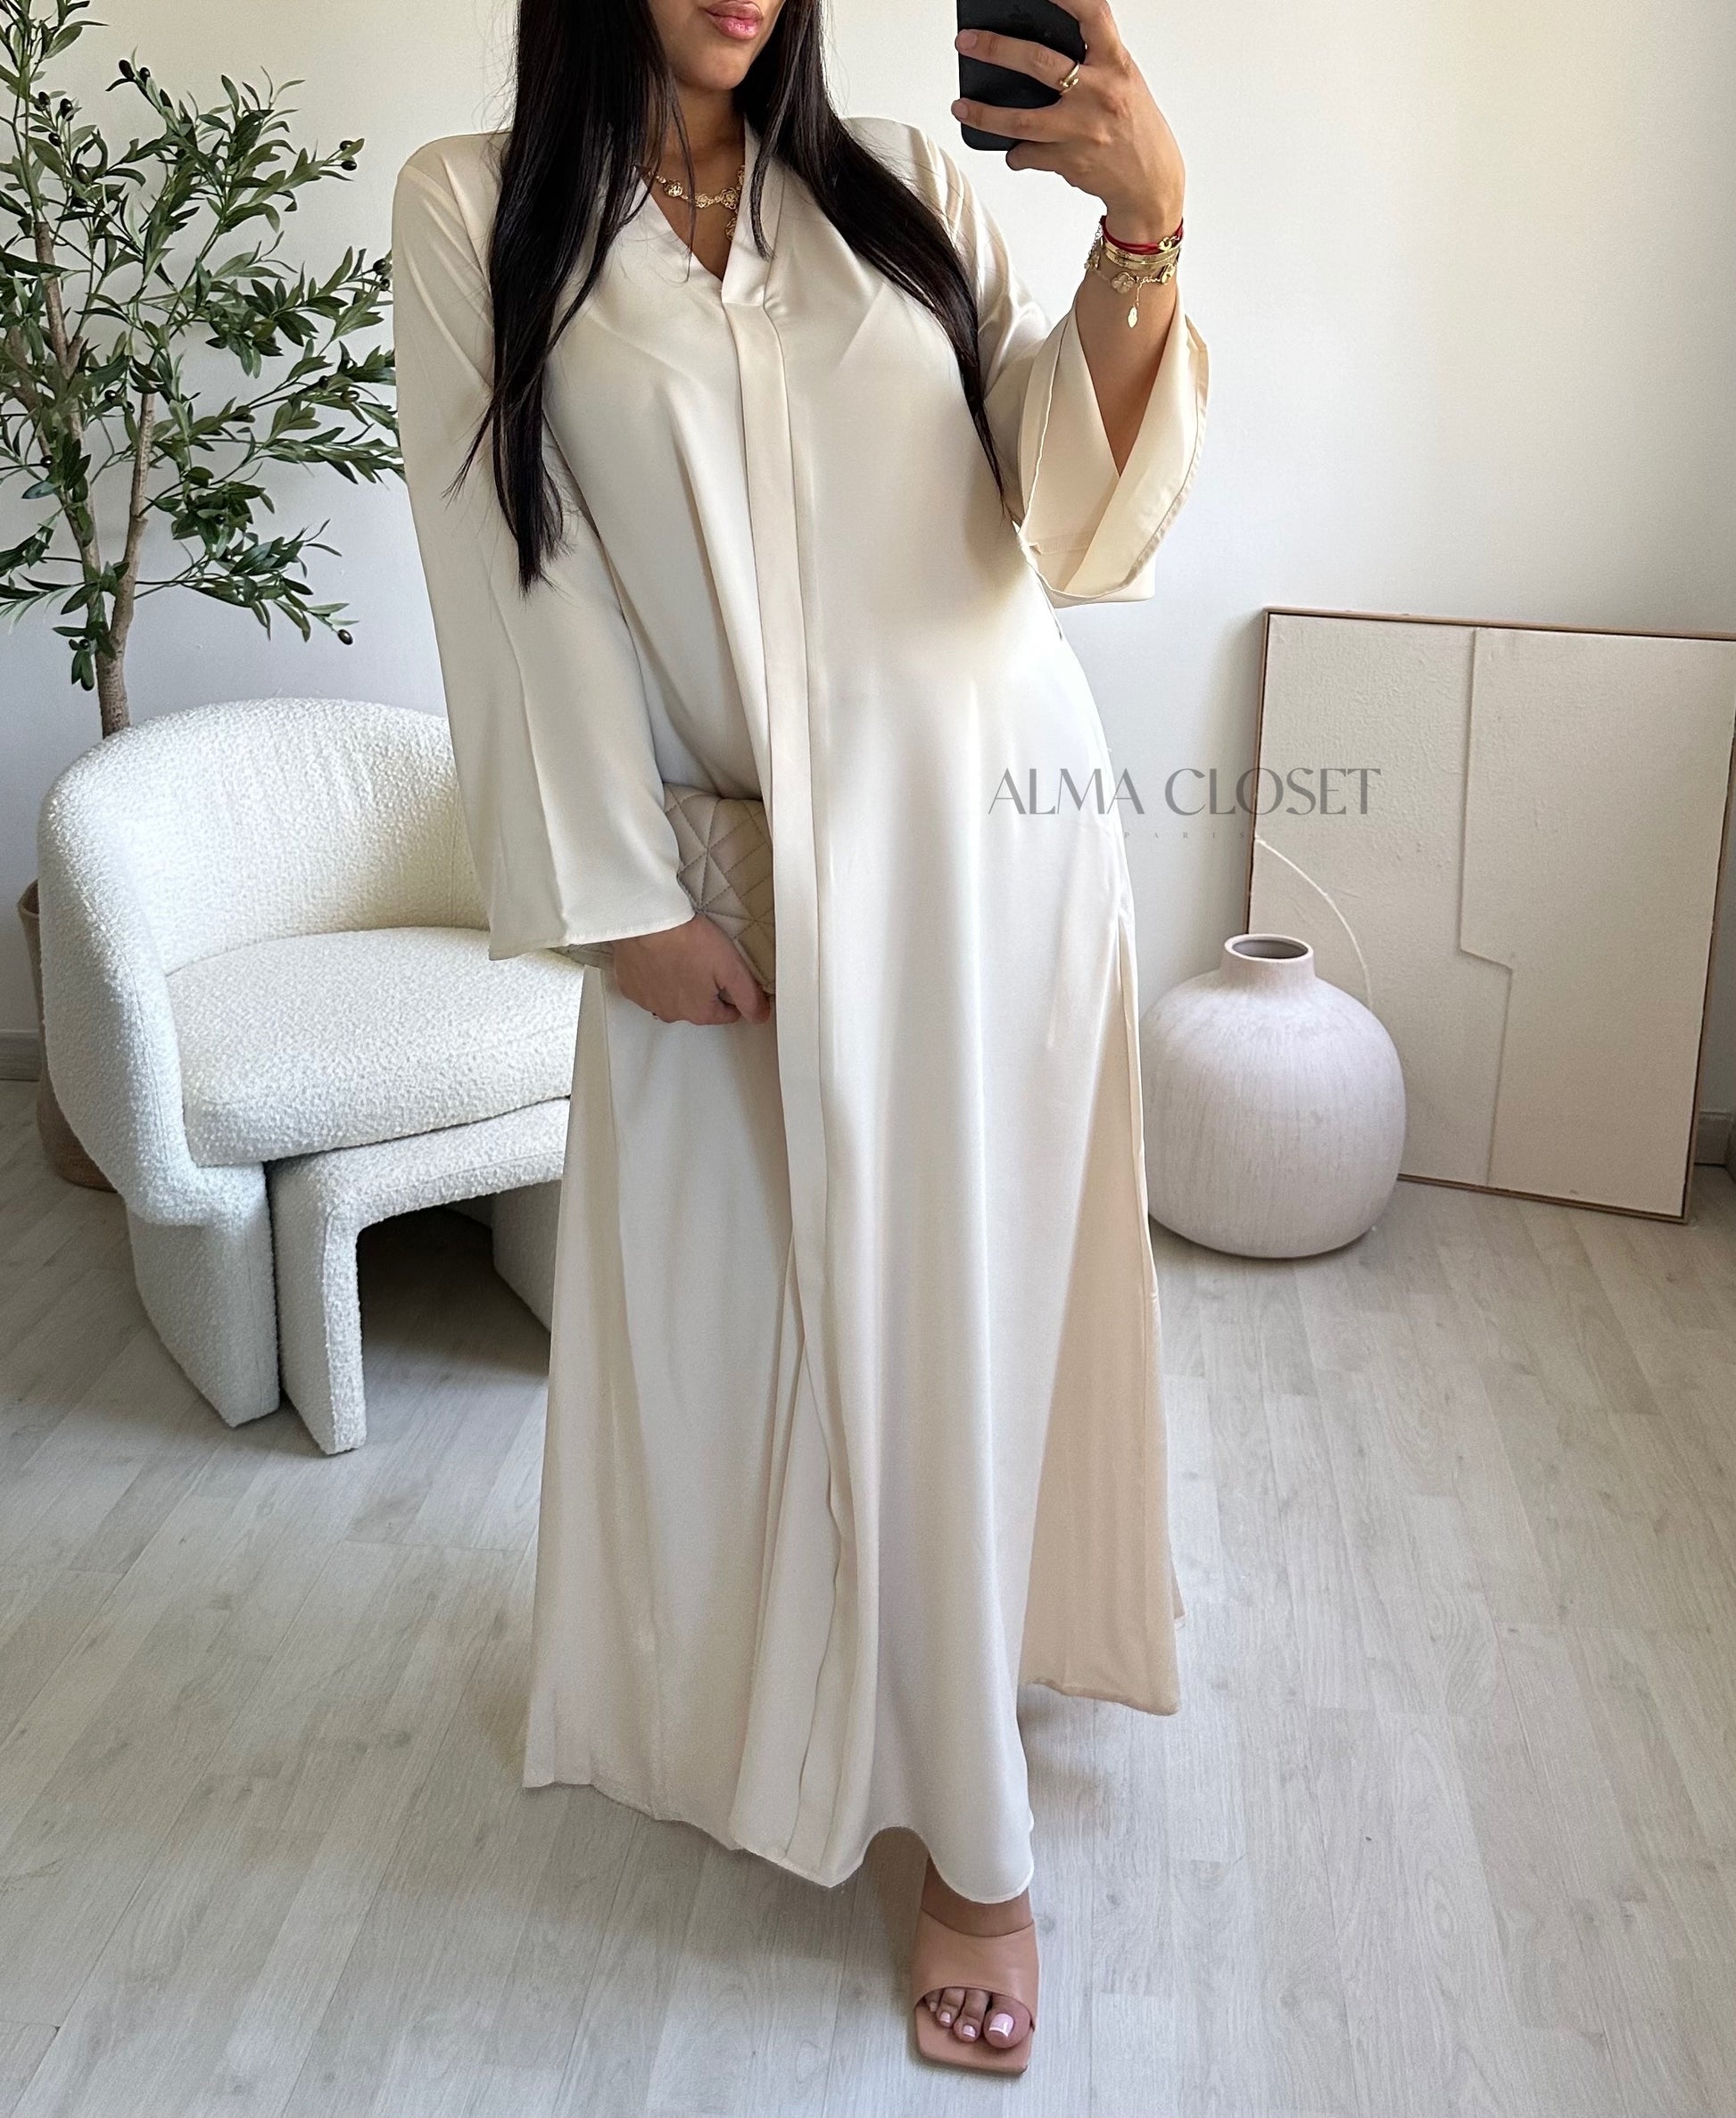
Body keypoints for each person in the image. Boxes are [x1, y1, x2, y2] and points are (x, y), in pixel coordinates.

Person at [393, 0, 1206, 2076]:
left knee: (954, 1316)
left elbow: (1063, 513)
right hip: (735, 888)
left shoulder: (910, 188)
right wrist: (619, 892)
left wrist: (1142, 236)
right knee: (744, 1316)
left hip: (995, 850)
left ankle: (978, 1846)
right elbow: (511, 568)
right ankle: (800, 1696)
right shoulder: (478, 214)